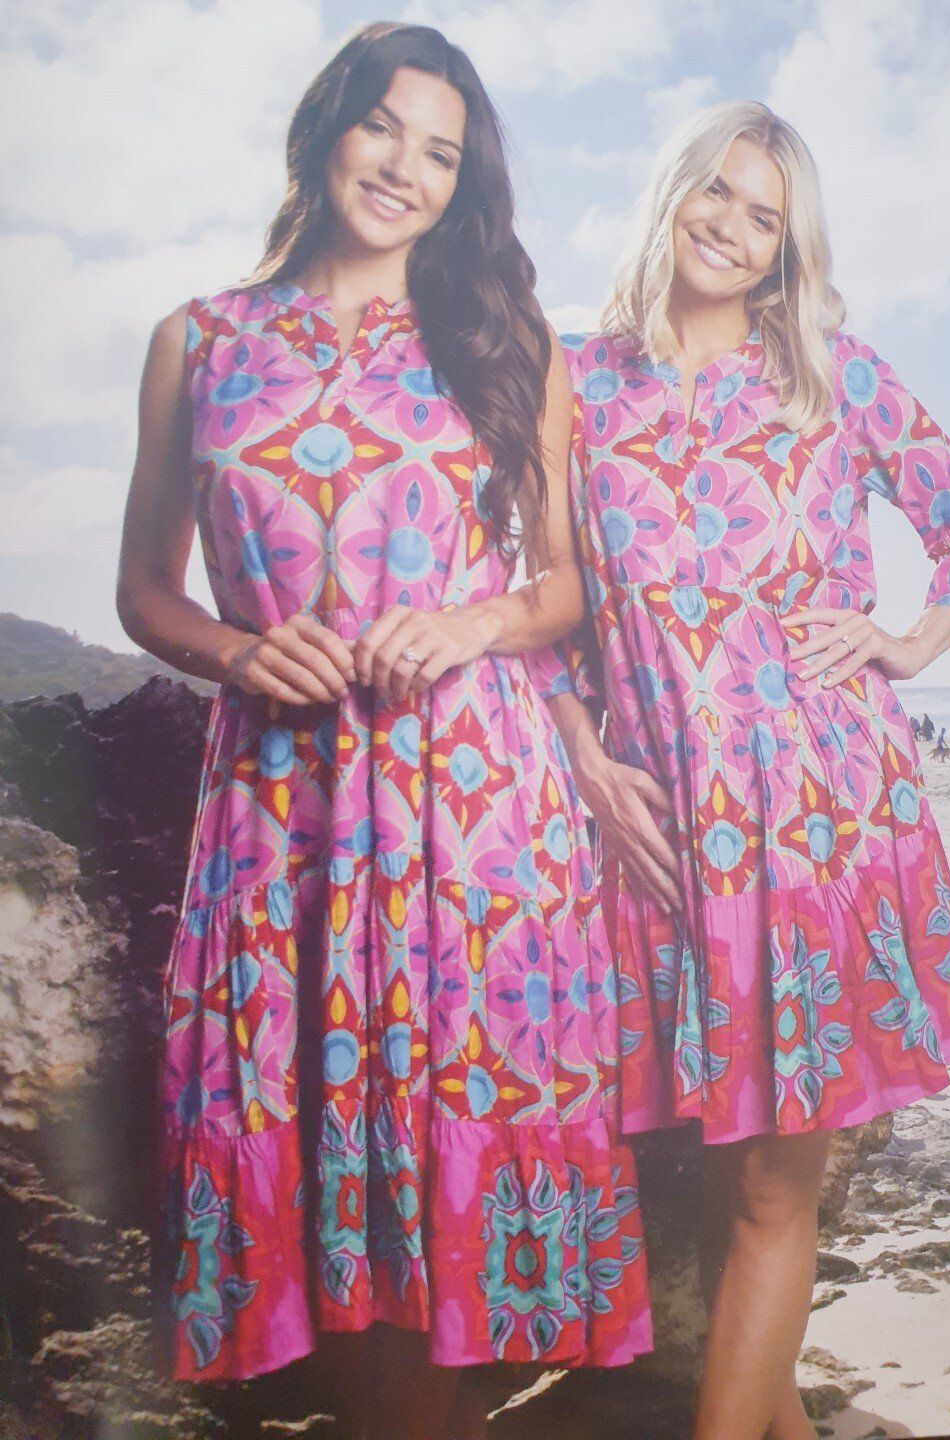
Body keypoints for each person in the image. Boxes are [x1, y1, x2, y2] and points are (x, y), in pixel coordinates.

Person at [116, 23, 650, 1437]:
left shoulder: (501, 343)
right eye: (384, 130)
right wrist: (239, 647)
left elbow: (568, 586)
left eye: (442, 153)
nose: (406, 170)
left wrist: (472, 625)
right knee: (314, 1196)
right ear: (324, 129)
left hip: (474, 811)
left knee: (449, 1213)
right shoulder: (199, 340)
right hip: (280, 816)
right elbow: (144, 590)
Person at [530, 100, 950, 1440]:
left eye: (764, 214)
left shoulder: (835, 374)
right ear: (671, 193)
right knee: (722, 1177)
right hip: (655, 826)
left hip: (820, 818)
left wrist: (907, 642)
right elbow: (532, 600)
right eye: (715, 191)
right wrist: (586, 756)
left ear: (786, 248)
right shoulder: (571, 380)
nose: (729, 224)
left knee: (773, 1187)